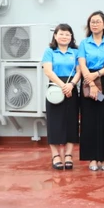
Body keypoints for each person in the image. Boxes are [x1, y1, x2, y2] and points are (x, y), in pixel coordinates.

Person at [78, 11, 104, 171]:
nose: (95, 24)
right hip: (87, 82)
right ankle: (92, 157)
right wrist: (92, 83)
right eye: (92, 22)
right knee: (89, 121)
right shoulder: (84, 43)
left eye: (98, 21)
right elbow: (82, 63)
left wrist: (97, 74)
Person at [41, 24, 81, 170]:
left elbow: (79, 71)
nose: (64, 37)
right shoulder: (50, 51)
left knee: (71, 121)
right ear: (55, 36)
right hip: (55, 89)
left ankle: (69, 154)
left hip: (71, 88)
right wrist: (62, 86)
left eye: (67, 34)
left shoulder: (75, 52)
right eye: (61, 34)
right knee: (54, 122)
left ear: (71, 37)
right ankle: (55, 154)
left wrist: (71, 84)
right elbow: (48, 71)